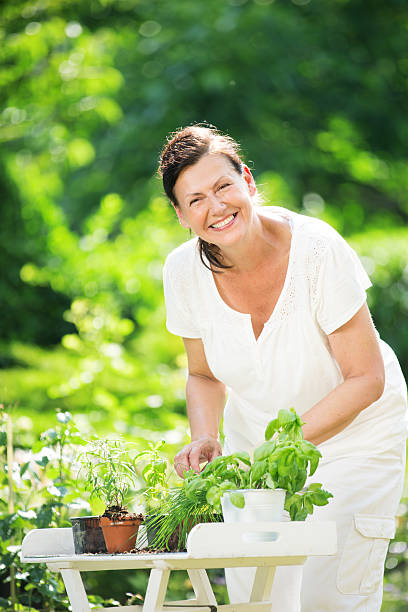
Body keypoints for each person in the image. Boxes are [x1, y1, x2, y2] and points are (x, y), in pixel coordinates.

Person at [159, 124, 408, 612]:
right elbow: (204, 374)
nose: (216, 207)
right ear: (181, 215)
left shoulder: (316, 250)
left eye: (223, 186)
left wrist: (282, 448)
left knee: (326, 592)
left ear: (247, 181)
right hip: (257, 453)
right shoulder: (182, 272)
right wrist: (205, 437)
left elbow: (366, 377)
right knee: (260, 598)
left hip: (354, 441)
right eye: (196, 200)